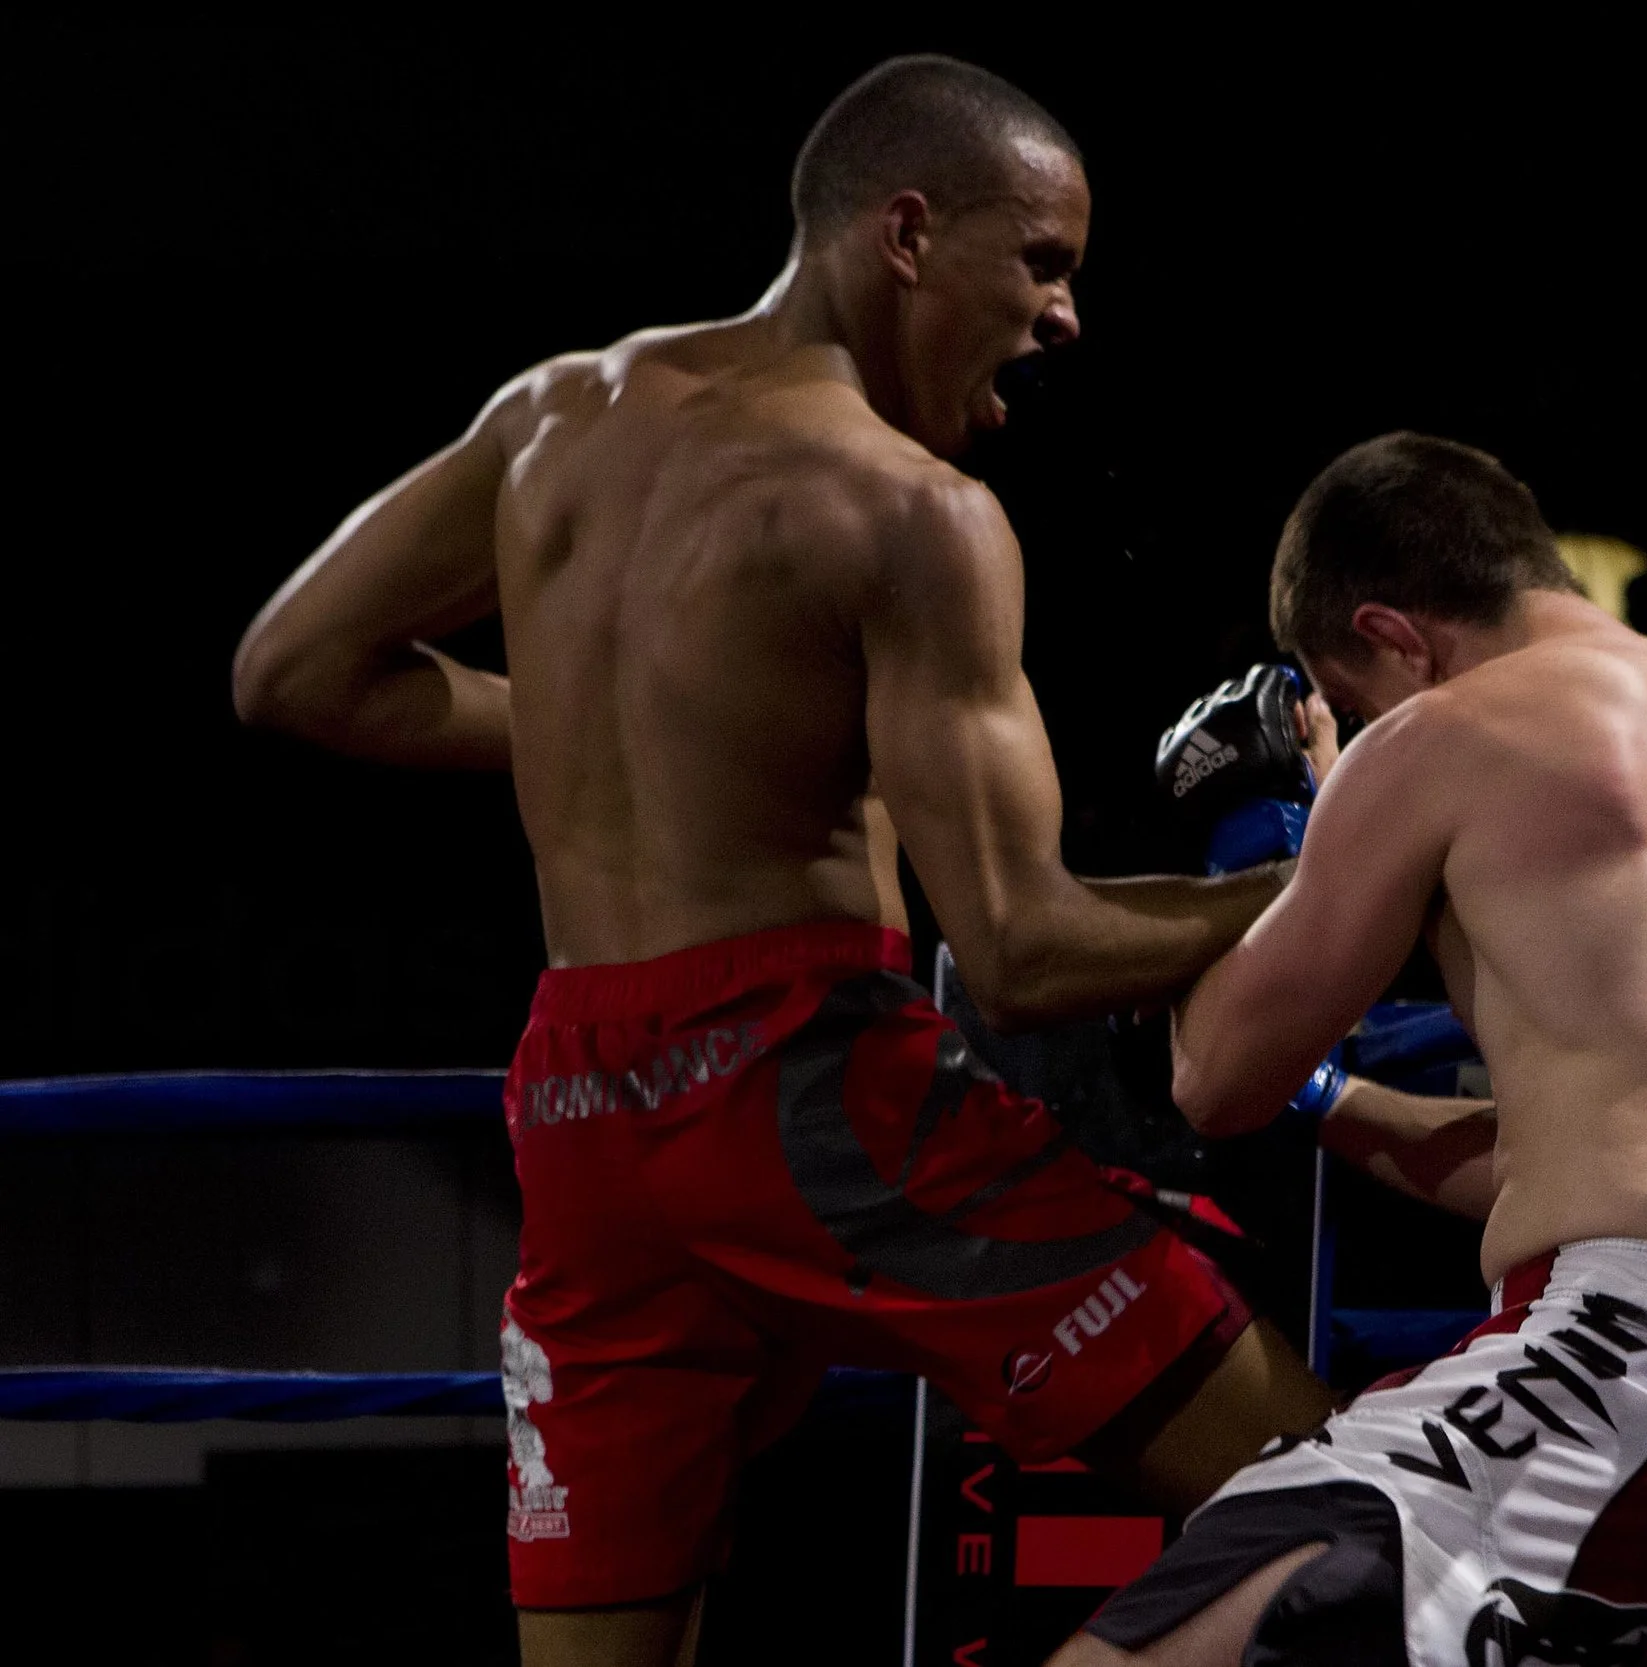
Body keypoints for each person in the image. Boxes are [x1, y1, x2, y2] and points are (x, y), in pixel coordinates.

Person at [231, 55, 1335, 1667]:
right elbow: (1024, 946)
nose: (1065, 317)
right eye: (1041, 261)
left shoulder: (558, 413)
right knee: (1335, 1502)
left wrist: (644, 725)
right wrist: (1327, 884)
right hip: (814, 1085)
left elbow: (293, 669)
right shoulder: (913, 511)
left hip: (581, 1111)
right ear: (908, 233)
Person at [1059, 433, 1647, 1666]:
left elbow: (1210, 1079)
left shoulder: (1448, 730)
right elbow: (1609, 1160)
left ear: (1393, 636)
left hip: (1625, 1373)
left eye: (1355, 701)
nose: (1362, 734)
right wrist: (1334, 1098)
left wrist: (1263, 822)